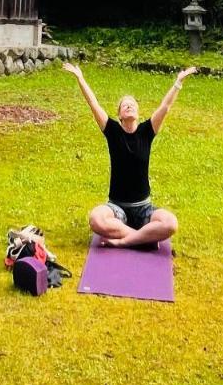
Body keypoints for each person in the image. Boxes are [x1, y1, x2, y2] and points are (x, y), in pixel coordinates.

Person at [63, 61, 195, 248]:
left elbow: (165, 107)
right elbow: (93, 104)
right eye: (125, 106)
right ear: (119, 116)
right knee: (96, 219)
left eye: (132, 105)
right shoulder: (113, 131)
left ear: (138, 113)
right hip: (117, 209)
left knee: (171, 223)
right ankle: (142, 240)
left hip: (144, 209)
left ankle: (125, 241)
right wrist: (80, 78)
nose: (129, 106)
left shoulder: (147, 131)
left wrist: (178, 82)